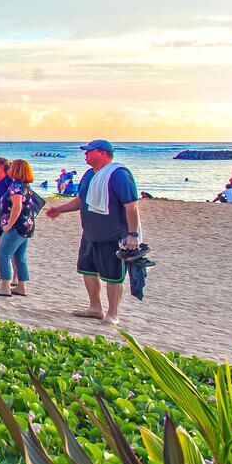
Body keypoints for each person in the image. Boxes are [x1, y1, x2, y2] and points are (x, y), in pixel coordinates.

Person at [44, 139, 141, 326]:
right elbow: (82, 200)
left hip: (113, 234)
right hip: (90, 232)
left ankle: (113, 313)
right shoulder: (89, 174)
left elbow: (131, 206)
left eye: (89, 151)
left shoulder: (118, 174)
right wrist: (60, 209)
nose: (85, 154)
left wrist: (133, 234)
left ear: (103, 153)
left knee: (113, 274)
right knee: (87, 269)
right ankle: (95, 307)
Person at [0, 159, 37, 297]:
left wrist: (9, 225)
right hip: (26, 225)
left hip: (16, 226)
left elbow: (17, 206)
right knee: (20, 256)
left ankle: (5, 287)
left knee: (3, 254)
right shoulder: (25, 186)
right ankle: (21, 286)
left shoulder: (16, 186)